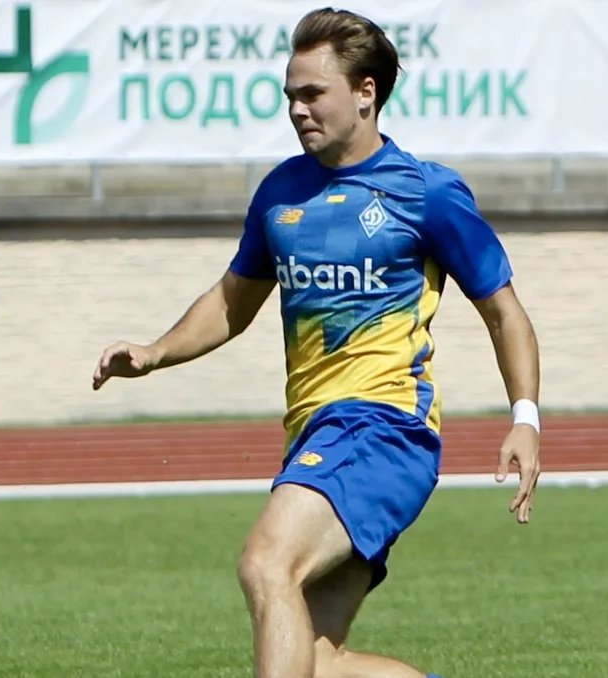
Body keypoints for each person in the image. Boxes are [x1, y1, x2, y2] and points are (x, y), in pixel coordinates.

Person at [91, 7, 542, 677]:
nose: (297, 109)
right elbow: (232, 300)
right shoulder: (281, 192)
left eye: (313, 93)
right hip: (315, 432)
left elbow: (504, 313)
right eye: (290, 95)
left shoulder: (426, 193)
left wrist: (525, 419)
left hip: (383, 428)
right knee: (318, 660)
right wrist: (157, 352)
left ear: (366, 93)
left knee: (265, 562)